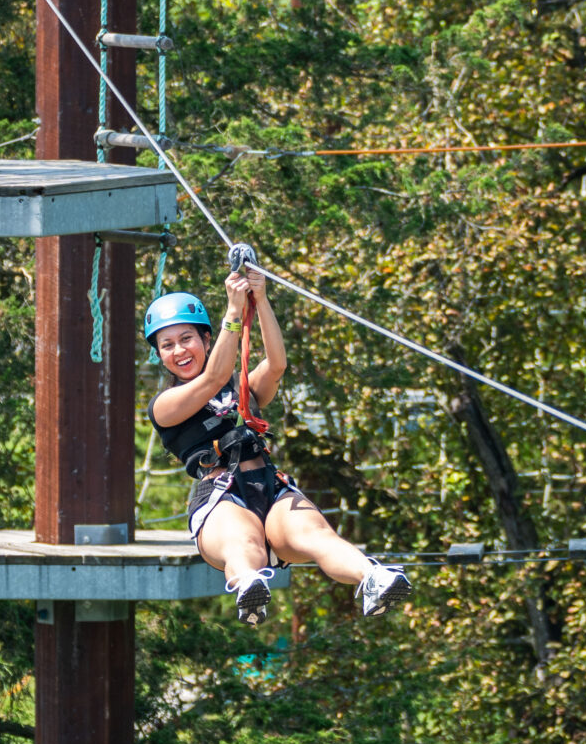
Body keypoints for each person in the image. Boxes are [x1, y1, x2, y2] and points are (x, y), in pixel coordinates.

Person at [144, 265, 410, 625]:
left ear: (207, 340)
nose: (179, 350)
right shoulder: (165, 406)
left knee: (317, 536)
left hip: (270, 488)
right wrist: (234, 310)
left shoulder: (243, 389)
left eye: (187, 338)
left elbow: (277, 364)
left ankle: (372, 577)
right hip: (221, 496)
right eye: (167, 345)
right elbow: (213, 379)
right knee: (244, 545)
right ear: (160, 355)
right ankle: (248, 585)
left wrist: (261, 300)